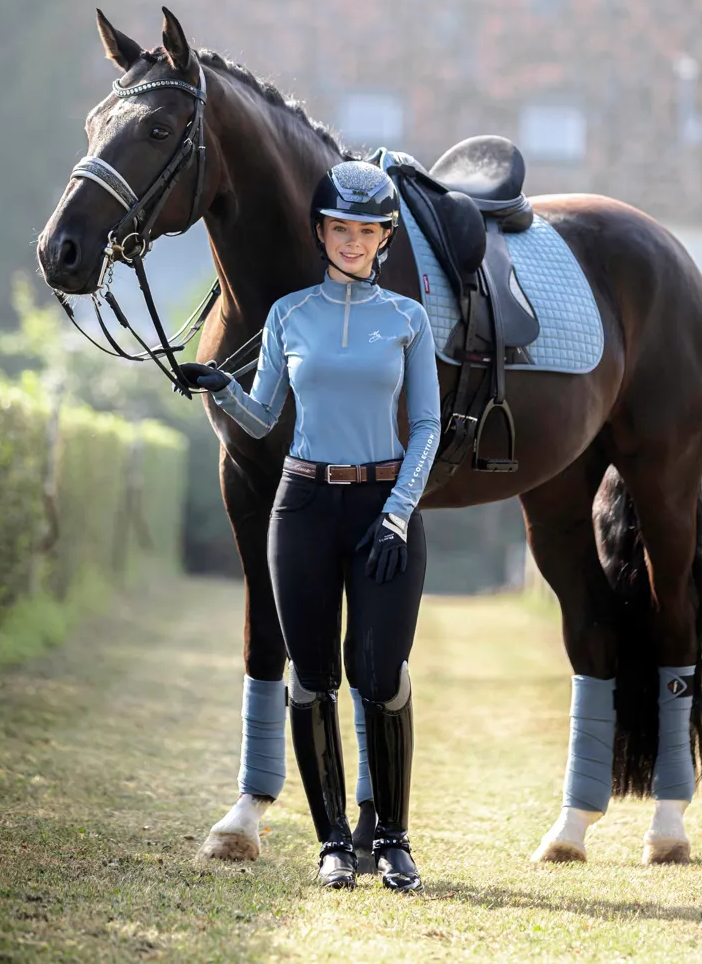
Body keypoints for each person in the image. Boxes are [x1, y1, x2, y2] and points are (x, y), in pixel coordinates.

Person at [178, 156, 441, 891]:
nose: (352, 241)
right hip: (302, 506)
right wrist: (221, 385)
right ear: (319, 231)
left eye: (367, 230)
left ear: (383, 237)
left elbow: (426, 427)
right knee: (312, 675)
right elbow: (264, 415)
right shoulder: (289, 314)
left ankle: (391, 837)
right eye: (340, 228)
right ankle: (332, 842)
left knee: (381, 674)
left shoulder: (409, 319)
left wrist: (396, 514)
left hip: (383, 506)